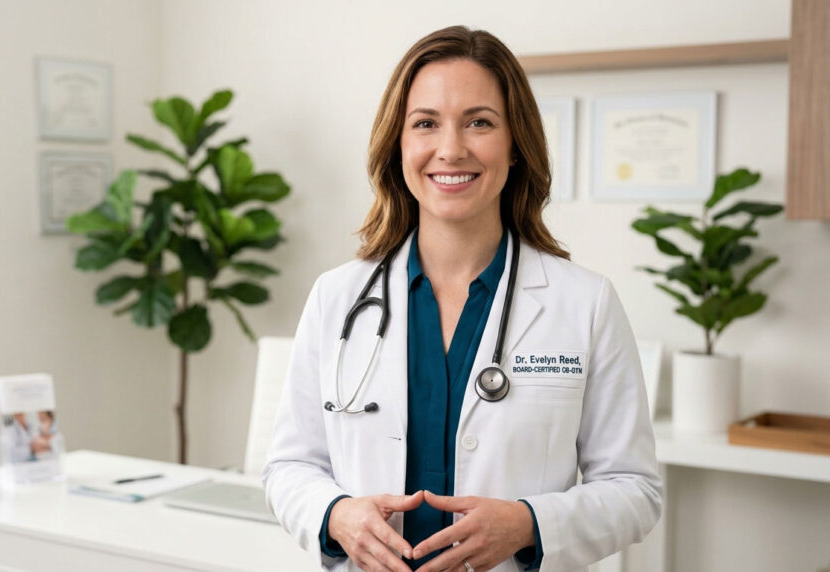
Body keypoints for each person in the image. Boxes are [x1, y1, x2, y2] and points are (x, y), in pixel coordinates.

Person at [262, 26, 661, 572]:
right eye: (425, 123)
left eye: (479, 122)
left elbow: (635, 489)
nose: (450, 149)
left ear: (516, 144)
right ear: (397, 145)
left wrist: (530, 524)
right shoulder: (337, 297)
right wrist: (336, 516)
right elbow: (288, 467)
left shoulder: (584, 303)